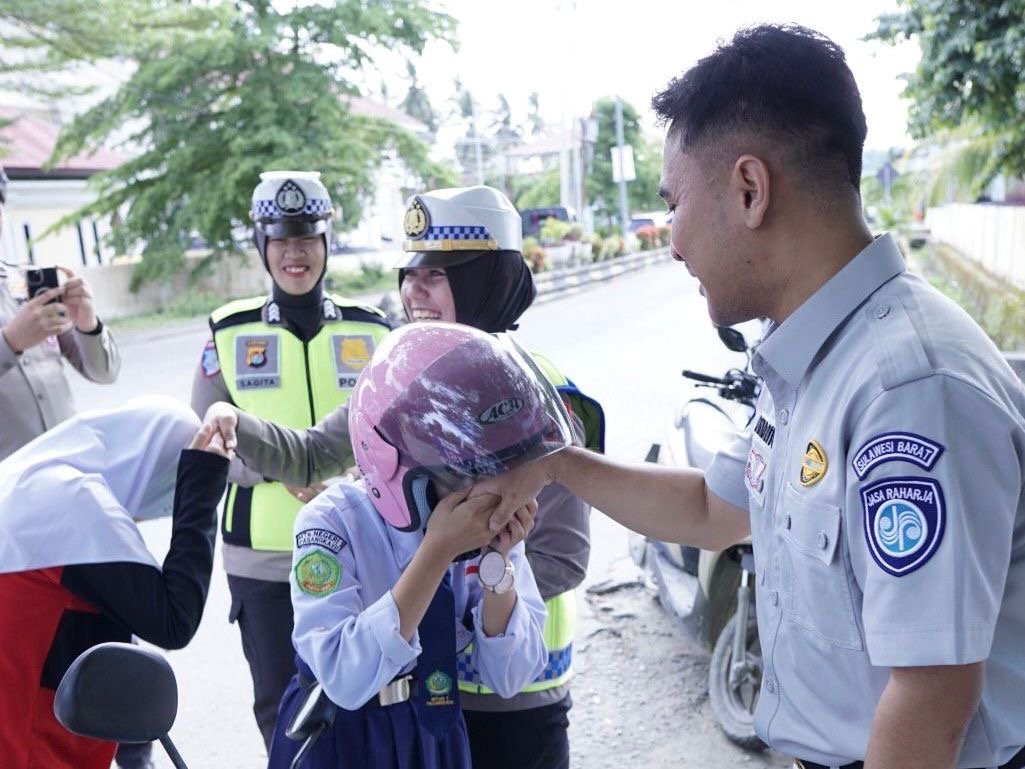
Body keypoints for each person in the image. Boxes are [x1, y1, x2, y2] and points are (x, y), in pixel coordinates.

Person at [474, 24, 1025, 769]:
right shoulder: (811, 359)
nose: (668, 240)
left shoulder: (909, 387)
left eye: (672, 202)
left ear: (748, 189)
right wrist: (555, 464)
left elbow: (930, 697)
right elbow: (712, 507)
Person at [204, 185, 604, 769]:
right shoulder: (404, 384)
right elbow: (317, 453)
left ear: (485, 281)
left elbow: (563, 555)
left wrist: (476, 576)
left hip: (503, 696)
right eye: (409, 275)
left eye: (438, 275)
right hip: (401, 701)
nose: (414, 291)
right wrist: (234, 421)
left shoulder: (537, 396)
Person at [266, 323, 558, 769]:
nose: (495, 489)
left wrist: (498, 561)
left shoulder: (482, 515)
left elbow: (512, 674)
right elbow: (345, 676)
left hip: (434, 727)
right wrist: (438, 551)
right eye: (471, 471)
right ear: (402, 466)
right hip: (344, 735)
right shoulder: (332, 522)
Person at [190, 170, 391, 750]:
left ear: (327, 242)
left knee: (363, 697)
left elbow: (392, 426)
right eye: (281, 240)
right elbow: (206, 440)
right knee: (280, 704)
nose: (295, 253)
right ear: (262, 247)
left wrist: (348, 475)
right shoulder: (229, 331)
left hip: (361, 540)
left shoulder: (371, 328)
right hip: (264, 556)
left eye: (307, 238)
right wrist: (291, 474)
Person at [0, 395, 230, 769]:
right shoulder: (71, 500)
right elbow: (175, 620)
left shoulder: (32, 481)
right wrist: (200, 487)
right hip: (30, 747)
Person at [0, 162, 122, 463]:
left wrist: (87, 324)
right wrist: (10, 343)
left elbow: (104, 373)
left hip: (68, 465)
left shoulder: (26, 283)